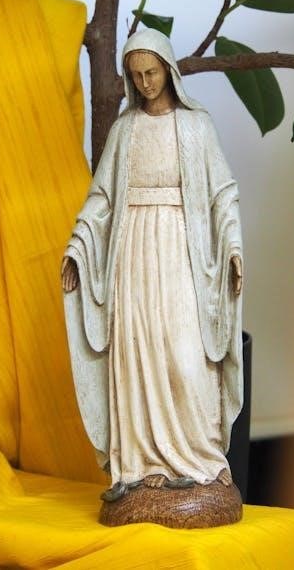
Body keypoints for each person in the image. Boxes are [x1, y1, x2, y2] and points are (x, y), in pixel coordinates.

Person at [61, 28, 243, 502]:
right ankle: (142, 466)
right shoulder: (125, 131)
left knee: (184, 349)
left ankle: (200, 459)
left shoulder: (196, 127)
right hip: (133, 250)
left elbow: (223, 193)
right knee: (137, 349)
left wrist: (233, 247)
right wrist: (79, 245)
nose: (145, 83)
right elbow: (102, 198)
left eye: (152, 72)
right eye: (136, 75)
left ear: (169, 70)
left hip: (181, 248)